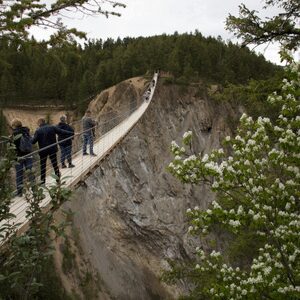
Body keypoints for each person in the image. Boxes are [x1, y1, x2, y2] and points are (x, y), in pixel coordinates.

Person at [32, 118, 71, 185]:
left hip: (43, 151)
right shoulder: (52, 127)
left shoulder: (38, 131)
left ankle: (43, 182)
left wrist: (29, 137)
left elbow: (33, 141)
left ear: (39, 123)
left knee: (43, 166)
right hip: (52, 149)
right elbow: (62, 131)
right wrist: (72, 133)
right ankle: (58, 180)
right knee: (55, 164)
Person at [11, 118, 34, 197]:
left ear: (14, 125)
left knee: (19, 174)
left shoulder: (15, 134)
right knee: (30, 171)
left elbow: (13, 147)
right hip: (29, 154)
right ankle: (34, 189)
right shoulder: (26, 131)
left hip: (19, 156)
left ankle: (20, 192)